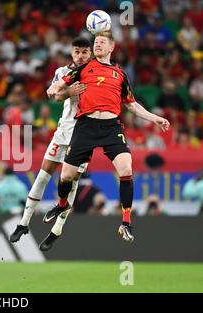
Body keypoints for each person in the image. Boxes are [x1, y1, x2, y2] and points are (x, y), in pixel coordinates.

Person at [42, 31, 170, 249]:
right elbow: (59, 85)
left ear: (111, 47)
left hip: (111, 127)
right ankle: (62, 204)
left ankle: (126, 222)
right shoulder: (83, 69)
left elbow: (131, 105)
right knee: (66, 176)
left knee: (126, 169)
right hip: (85, 126)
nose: (98, 45)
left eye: (102, 42)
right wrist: (53, 88)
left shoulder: (119, 74)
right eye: (96, 42)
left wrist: (155, 118)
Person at [9, 37, 92, 248]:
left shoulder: (97, 73)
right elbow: (54, 95)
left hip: (84, 133)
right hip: (63, 129)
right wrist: (68, 92)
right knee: (44, 172)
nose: (81, 55)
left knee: (71, 180)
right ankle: (24, 222)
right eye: (77, 52)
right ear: (72, 53)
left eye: (85, 51)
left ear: (90, 53)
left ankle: (57, 229)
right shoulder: (62, 71)